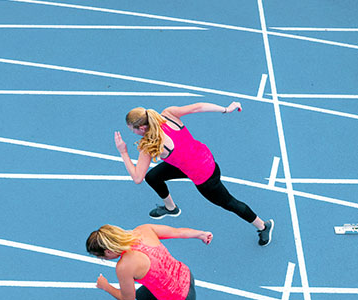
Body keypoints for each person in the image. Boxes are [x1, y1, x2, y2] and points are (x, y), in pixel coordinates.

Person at [114, 101, 274, 246]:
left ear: (142, 128)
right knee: (153, 176)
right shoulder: (168, 114)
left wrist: (123, 152)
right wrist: (226, 109)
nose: (133, 133)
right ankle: (171, 208)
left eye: (132, 130)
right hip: (201, 158)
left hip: (205, 176)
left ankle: (263, 225)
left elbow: (137, 177)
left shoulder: (149, 144)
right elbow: (199, 107)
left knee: (229, 203)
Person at [86, 223, 262, 300]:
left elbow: (127, 298)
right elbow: (177, 232)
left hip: (178, 299)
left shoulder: (124, 266)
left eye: (100, 256)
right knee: (143, 296)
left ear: (108, 251)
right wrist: (200, 234)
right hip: (185, 275)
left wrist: (106, 286)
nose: (101, 259)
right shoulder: (143, 230)